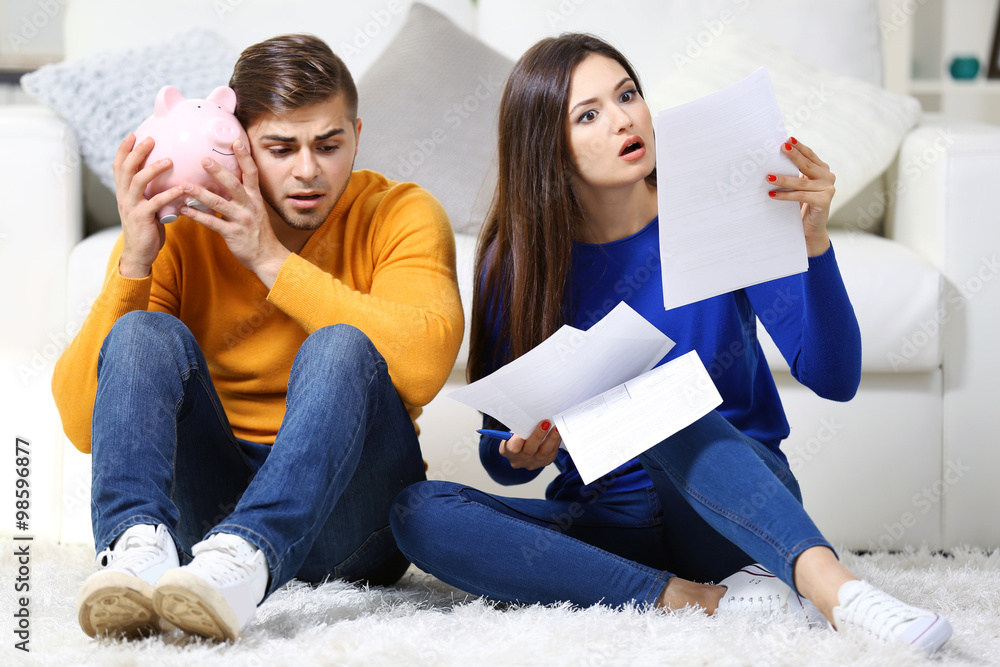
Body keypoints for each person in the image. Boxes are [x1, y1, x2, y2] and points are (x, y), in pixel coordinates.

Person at [390, 33, 952, 656]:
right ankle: (694, 600)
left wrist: (814, 248)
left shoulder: (719, 209)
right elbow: (500, 453)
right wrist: (520, 455)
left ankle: (841, 595)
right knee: (417, 512)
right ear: (547, 146)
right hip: (607, 523)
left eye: (628, 94)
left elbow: (833, 376)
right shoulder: (516, 261)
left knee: (659, 398)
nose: (625, 118)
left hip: (730, 516)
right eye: (590, 114)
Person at [53, 33, 464, 642]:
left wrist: (270, 260)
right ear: (239, 143)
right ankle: (138, 555)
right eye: (280, 148)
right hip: (205, 533)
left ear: (357, 133)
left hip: (352, 530)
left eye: (330, 145)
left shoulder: (401, 213)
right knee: (142, 331)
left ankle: (252, 554)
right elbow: (83, 424)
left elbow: (425, 366)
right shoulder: (182, 228)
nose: (308, 170)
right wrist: (134, 267)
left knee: (340, 345)